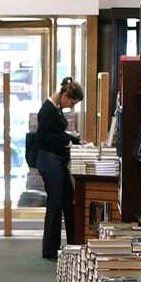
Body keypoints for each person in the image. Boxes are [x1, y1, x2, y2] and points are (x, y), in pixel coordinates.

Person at [36, 77, 83, 260]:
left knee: (66, 198)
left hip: (55, 160)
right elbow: (44, 138)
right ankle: (50, 249)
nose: (70, 106)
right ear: (64, 95)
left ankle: (71, 243)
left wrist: (76, 141)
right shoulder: (47, 110)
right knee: (55, 203)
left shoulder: (55, 109)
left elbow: (56, 133)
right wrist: (67, 141)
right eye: (71, 102)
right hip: (49, 160)